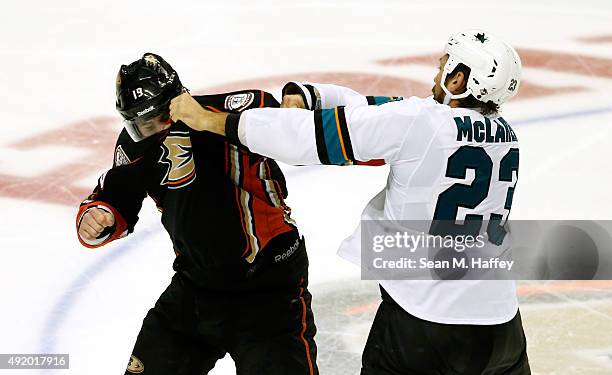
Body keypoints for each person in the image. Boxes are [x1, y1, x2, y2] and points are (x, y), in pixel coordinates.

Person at [170, 30, 531, 374]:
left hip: (423, 322)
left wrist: (206, 119)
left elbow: (303, 138)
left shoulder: (420, 123)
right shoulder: (507, 137)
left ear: (459, 79)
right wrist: (313, 98)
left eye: (444, 65)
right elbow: (385, 113)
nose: (436, 72)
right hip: (501, 326)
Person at [75, 53, 318, 375]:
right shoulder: (136, 145)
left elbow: (298, 131)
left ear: (178, 98)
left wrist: (300, 102)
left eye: (157, 117)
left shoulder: (234, 110)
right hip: (196, 289)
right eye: (140, 123)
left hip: (268, 288)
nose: (152, 129)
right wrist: (99, 215)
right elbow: (115, 195)